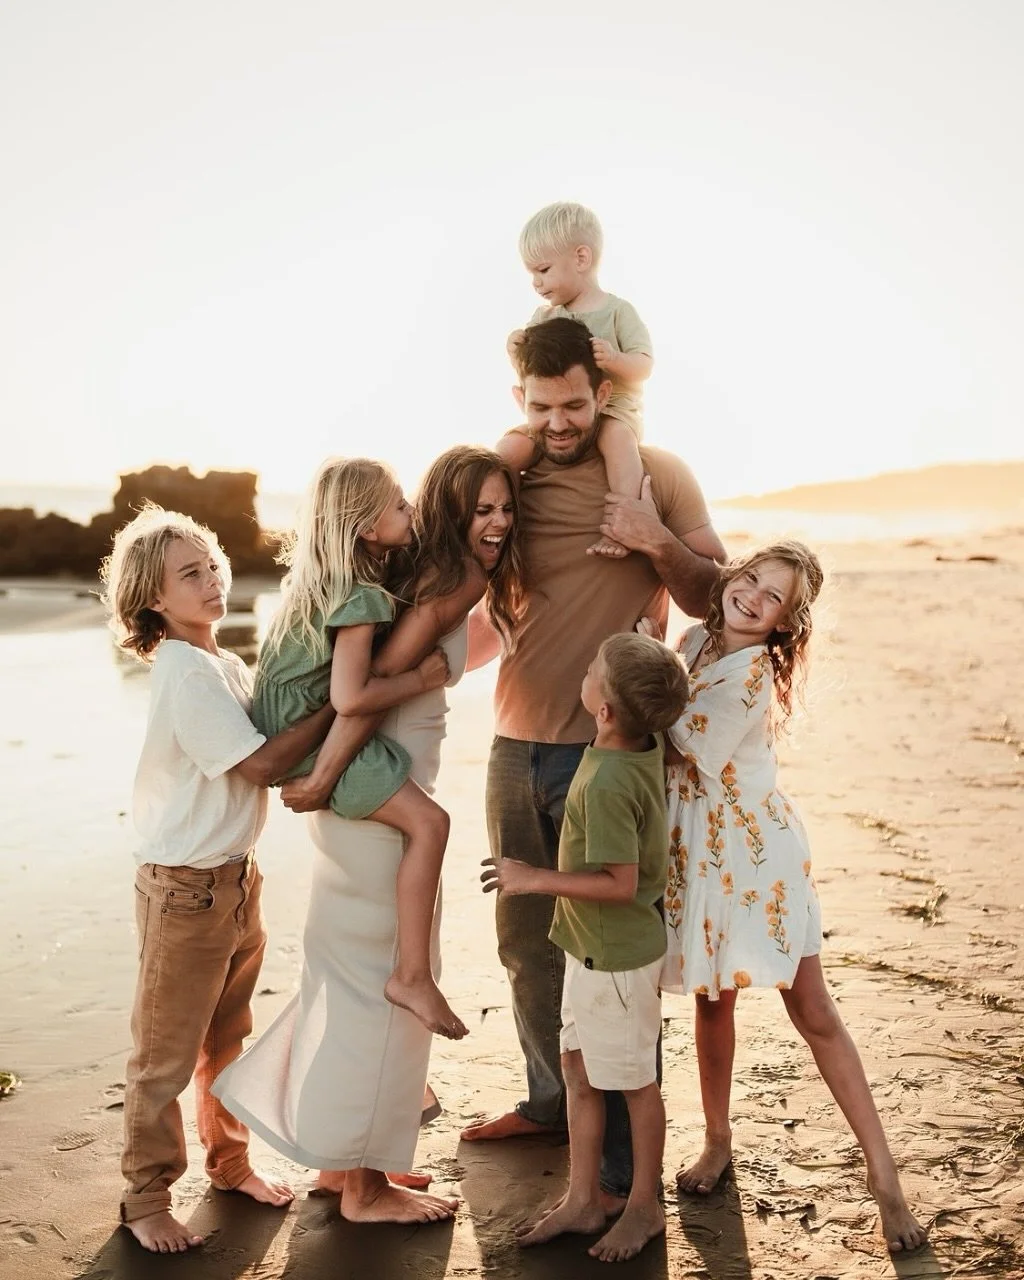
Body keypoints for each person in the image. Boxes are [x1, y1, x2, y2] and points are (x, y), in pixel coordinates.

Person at [213, 447, 525, 1225]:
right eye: (481, 508)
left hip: (360, 790)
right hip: (369, 792)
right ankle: (363, 1188)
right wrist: (323, 776)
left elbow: (345, 685)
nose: (498, 523)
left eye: (508, 509)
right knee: (381, 986)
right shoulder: (434, 583)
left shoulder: (398, 577)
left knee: (347, 980)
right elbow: (358, 698)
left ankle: (344, 1162)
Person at [462, 316, 727, 1214]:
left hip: (608, 754)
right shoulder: (513, 480)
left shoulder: (659, 471)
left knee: (608, 959)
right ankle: (550, 1104)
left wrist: (651, 535)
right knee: (524, 945)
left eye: (574, 404)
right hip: (512, 741)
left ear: (602, 392)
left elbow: (711, 595)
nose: (560, 422)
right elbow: (461, 582)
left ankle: (619, 1169)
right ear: (521, 400)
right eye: (542, 407)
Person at [657, 539, 927, 1254]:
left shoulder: (748, 676)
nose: (751, 595)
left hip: (755, 862)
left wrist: (621, 675)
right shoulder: (692, 640)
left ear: (783, 623)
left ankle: (885, 1182)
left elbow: (680, 741)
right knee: (713, 1002)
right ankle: (717, 1140)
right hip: (699, 856)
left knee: (813, 1011)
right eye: (749, 579)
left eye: (771, 596)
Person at [101, 504, 339, 1253]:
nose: (211, 580)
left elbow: (272, 746)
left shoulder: (223, 664)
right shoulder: (185, 673)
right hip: (185, 890)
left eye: (212, 564)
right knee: (164, 1055)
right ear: (154, 599)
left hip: (235, 883)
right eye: (189, 574)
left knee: (226, 1038)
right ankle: (145, 1200)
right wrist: (341, 703)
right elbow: (264, 766)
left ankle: (228, 1162)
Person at [482, 632, 690, 1263]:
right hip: (586, 946)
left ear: (603, 710)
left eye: (594, 668)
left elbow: (620, 884)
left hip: (618, 958)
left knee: (634, 1085)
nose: (585, 668)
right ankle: (582, 1198)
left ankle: (644, 1207)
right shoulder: (637, 745)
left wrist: (532, 876)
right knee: (577, 1070)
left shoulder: (604, 783)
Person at [247, 456, 465, 1040]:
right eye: (398, 505)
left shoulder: (319, 580)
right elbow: (348, 697)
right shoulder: (362, 596)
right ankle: (412, 976)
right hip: (303, 739)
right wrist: (421, 681)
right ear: (367, 529)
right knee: (432, 825)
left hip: (278, 723)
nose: (411, 510)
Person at [497, 201, 652, 558]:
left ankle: (622, 525)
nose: (536, 283)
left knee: (618, 444)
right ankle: (485, 512)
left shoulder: (617, 311)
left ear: (581, 258)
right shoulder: (543, 316)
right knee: (511, 448)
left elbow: (644, 364)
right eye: (531, 274)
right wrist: (514, 351)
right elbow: (533, 373)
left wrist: (615, 359)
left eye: (544, 270)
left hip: (614, 409)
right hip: (558, 414)